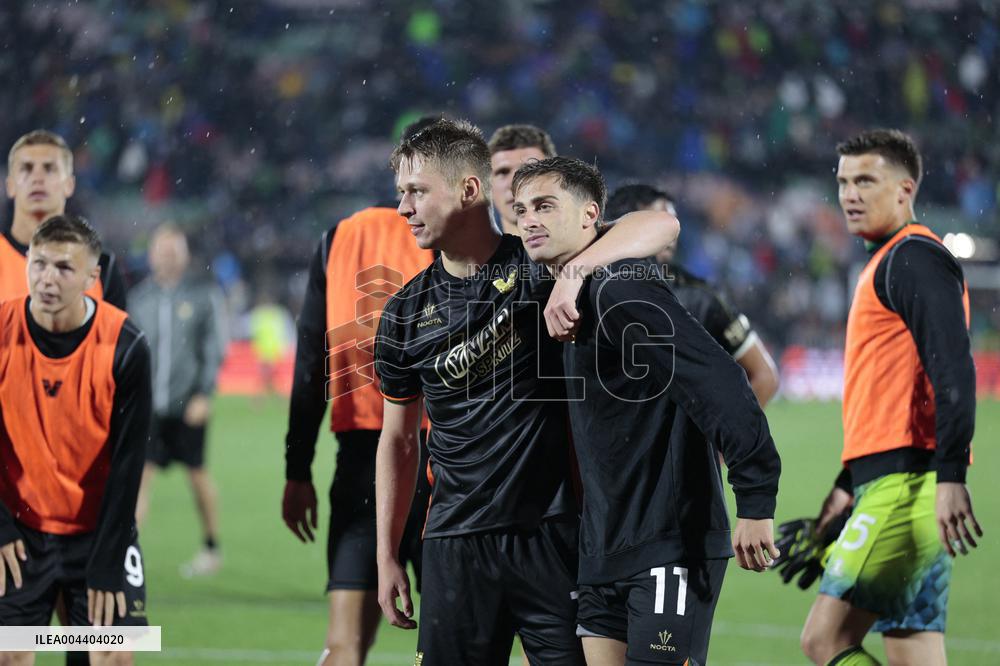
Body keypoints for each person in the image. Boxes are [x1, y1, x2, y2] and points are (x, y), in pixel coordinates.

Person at [374, 118, 678, 665]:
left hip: (553, 536)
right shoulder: (402, 312)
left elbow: (659, 226)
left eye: (417, 191)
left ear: (468, 190)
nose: (403, 208)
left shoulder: (539, 266)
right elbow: (397, 440)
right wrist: (386, 555)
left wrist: (577, 270)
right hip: (453, 544)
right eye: (402, 193)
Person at [512, 157, 781, 666]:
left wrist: (755, 494)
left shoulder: (622, 291)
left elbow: (718, 380)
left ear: (592, 215)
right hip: (603, 547)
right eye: (522, 209)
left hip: (667, 546)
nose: (529, 219)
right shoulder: (553, 296)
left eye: (545, 206)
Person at [799, 129, 980, 666]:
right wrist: (846, 486)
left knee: (825, 640)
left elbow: (952, 369)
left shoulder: (913, 258)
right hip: (894, 482)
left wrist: (950, 476)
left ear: (905, 189)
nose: (850, 194)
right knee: (912, 650)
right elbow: (892, 392)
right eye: (843, 182)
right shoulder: (891, 260)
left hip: (907, 488)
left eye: (865, 181)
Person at [0, 215, 150, 666]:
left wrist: (106, 562)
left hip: (99, 531)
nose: (47, 278)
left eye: (64, 268)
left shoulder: (126, 344)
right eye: (38, 263)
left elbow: (129, 464)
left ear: (92, 277)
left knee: (112, 657)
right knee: (9, 655)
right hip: (19, 533)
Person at [606, 183, 780, 408]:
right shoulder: (584, 289)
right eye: (661, 221)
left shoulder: (701, 298)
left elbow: (764, 377)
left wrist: (721, 436)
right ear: (625, 225)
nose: (672, 233)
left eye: (674, 223)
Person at [129, 224, 227, 578]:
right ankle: (129, 555)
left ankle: (211, 547)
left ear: (184, 255)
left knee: (198, 476)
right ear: (152, 254)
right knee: (139, 477)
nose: (167, 257)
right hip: (149, 407)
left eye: (174, 251)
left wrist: (204, 393)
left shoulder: (202, 295)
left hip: (189, 407)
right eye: (161, 251)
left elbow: (214, 348)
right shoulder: (140, 299)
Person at [2, 130, 126, 308]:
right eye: (26, 168)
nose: (38, 178)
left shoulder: (101, 267)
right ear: (10, 186)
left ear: (69, 185)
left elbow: (114, 335)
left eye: (49, 168)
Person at [488, 124, 557, 236]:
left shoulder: (591, 248)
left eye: (529, 169)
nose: (514, 183)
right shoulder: (469, 252)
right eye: (503, 172)